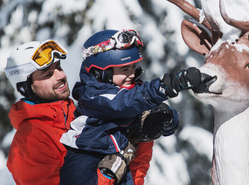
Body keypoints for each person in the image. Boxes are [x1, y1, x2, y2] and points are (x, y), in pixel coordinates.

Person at [59, 29, 204, 185]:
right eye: (124, 69)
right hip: (85, 157)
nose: (132, 74)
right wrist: (166, 86)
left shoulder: (129, 91)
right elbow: (123, 103)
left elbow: (145, 105)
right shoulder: (93, 96)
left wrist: (165, 118)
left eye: (132, 67)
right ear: (101, 72)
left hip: (117, 159)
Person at [4, 40, 76, 184]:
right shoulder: (30, 140)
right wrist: (108, 174)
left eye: (59, 67)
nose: (60, 76)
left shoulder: (75, 112)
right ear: (27, 87)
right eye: (48, 75)